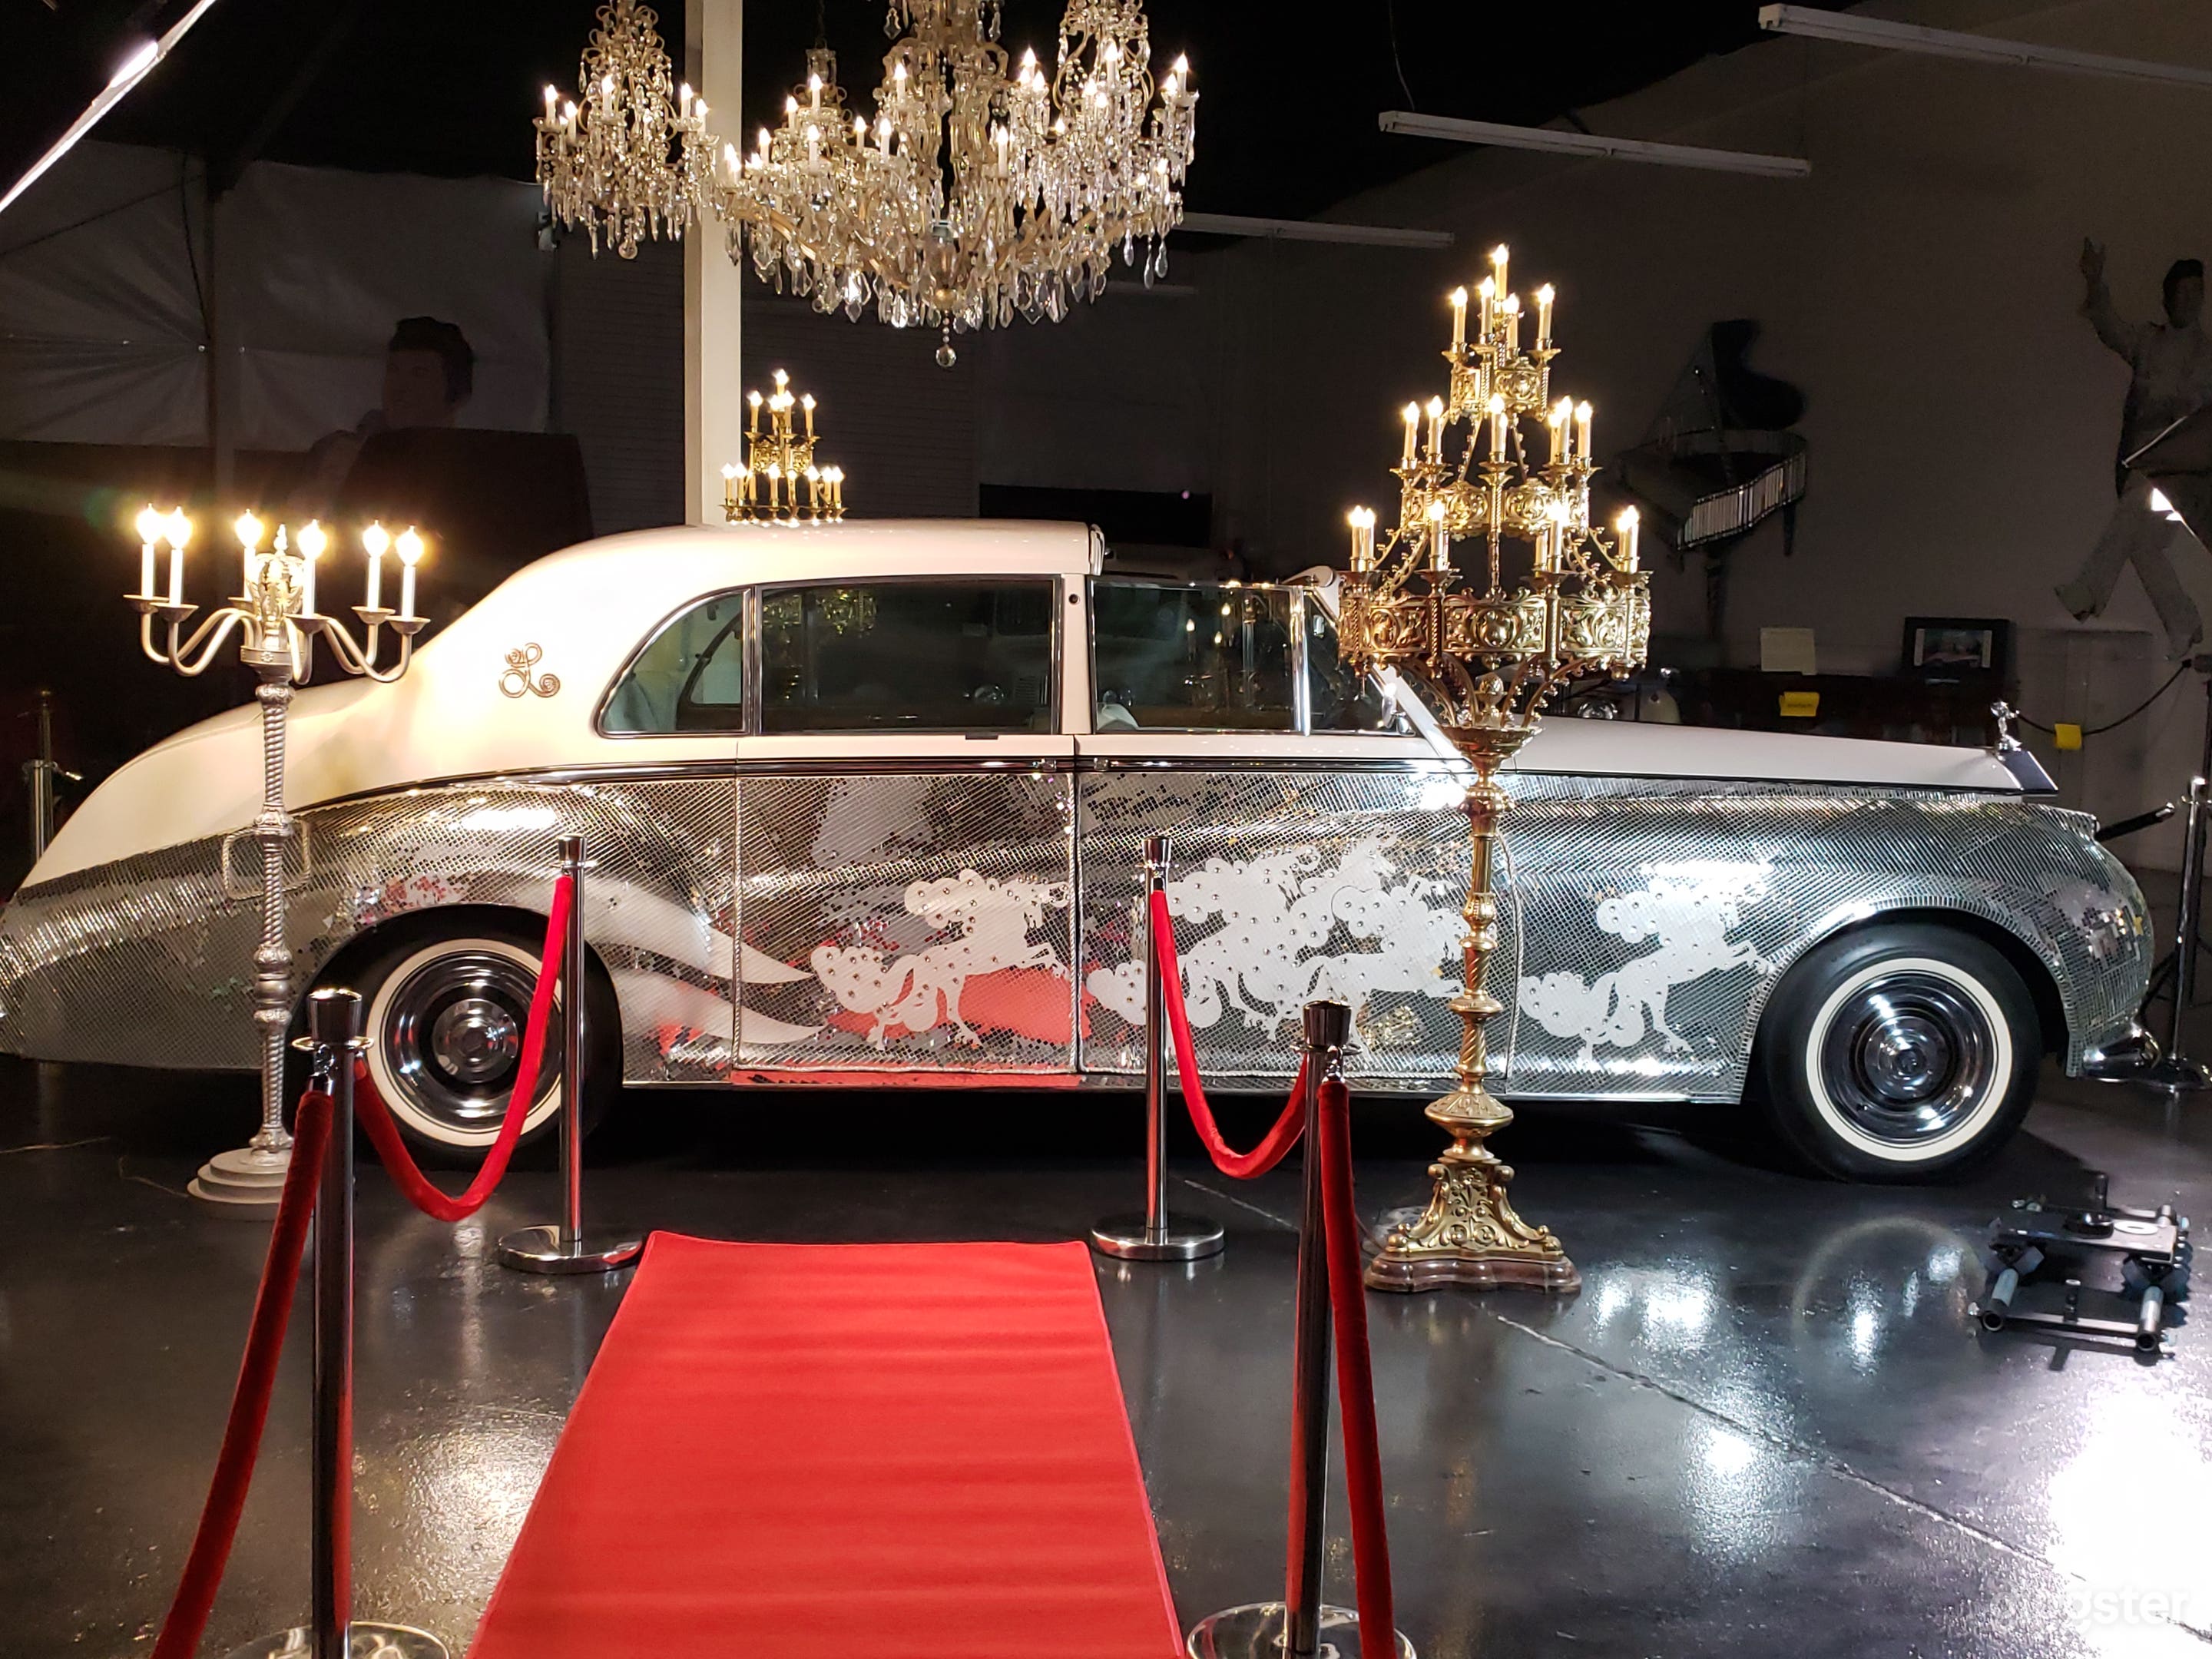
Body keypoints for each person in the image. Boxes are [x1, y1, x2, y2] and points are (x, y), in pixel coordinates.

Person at [2055, 244, 2212, 657]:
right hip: (2142, 459)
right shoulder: (2148, 340)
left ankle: (2088, 590)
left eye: (2198, 294)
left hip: (2180, 468)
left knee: (2131, 513)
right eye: (2183, 293)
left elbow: (2196, 409)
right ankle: (2183, 623)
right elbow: (2110, 327)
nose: (2190, 301)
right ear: (2169, 297)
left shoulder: (2208, 356)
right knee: (2142, 546)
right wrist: (2095, 281)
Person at [289, 316, 475, 519]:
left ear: (458, 395)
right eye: (393, 370)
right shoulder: (339, 452)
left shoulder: (468, 468)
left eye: (419, 374)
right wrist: (324, 488)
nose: (399, 387)